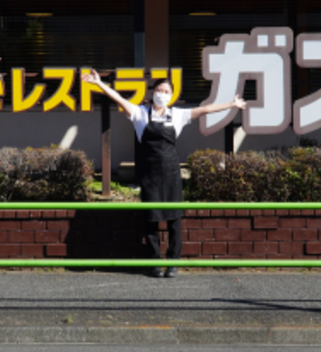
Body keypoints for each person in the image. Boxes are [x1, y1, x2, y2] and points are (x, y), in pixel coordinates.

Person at [83, 69, 245, 278]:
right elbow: (118, 98)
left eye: (166, 91)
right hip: (150, 174)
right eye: (159, 90)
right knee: (150, 220)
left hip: (171, 173)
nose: (162, 93)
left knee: (174, 220)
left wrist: (232, 105)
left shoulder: (177, 115)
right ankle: (154, 263)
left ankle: (173, 263)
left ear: (171, 95)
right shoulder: (140, 113)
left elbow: (205, 109)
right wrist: (99, 84)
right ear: (153, 93)